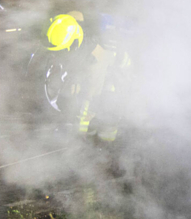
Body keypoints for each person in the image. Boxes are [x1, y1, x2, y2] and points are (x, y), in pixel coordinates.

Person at [44, 11, 130, 142]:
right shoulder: (71, 26)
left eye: (63, 49)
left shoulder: (97, 57)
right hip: (99, 71)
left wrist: (79, 132)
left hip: (116, 81)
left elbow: (89, 94)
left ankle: (106, 147)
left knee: (107, 109)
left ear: (73, 43)